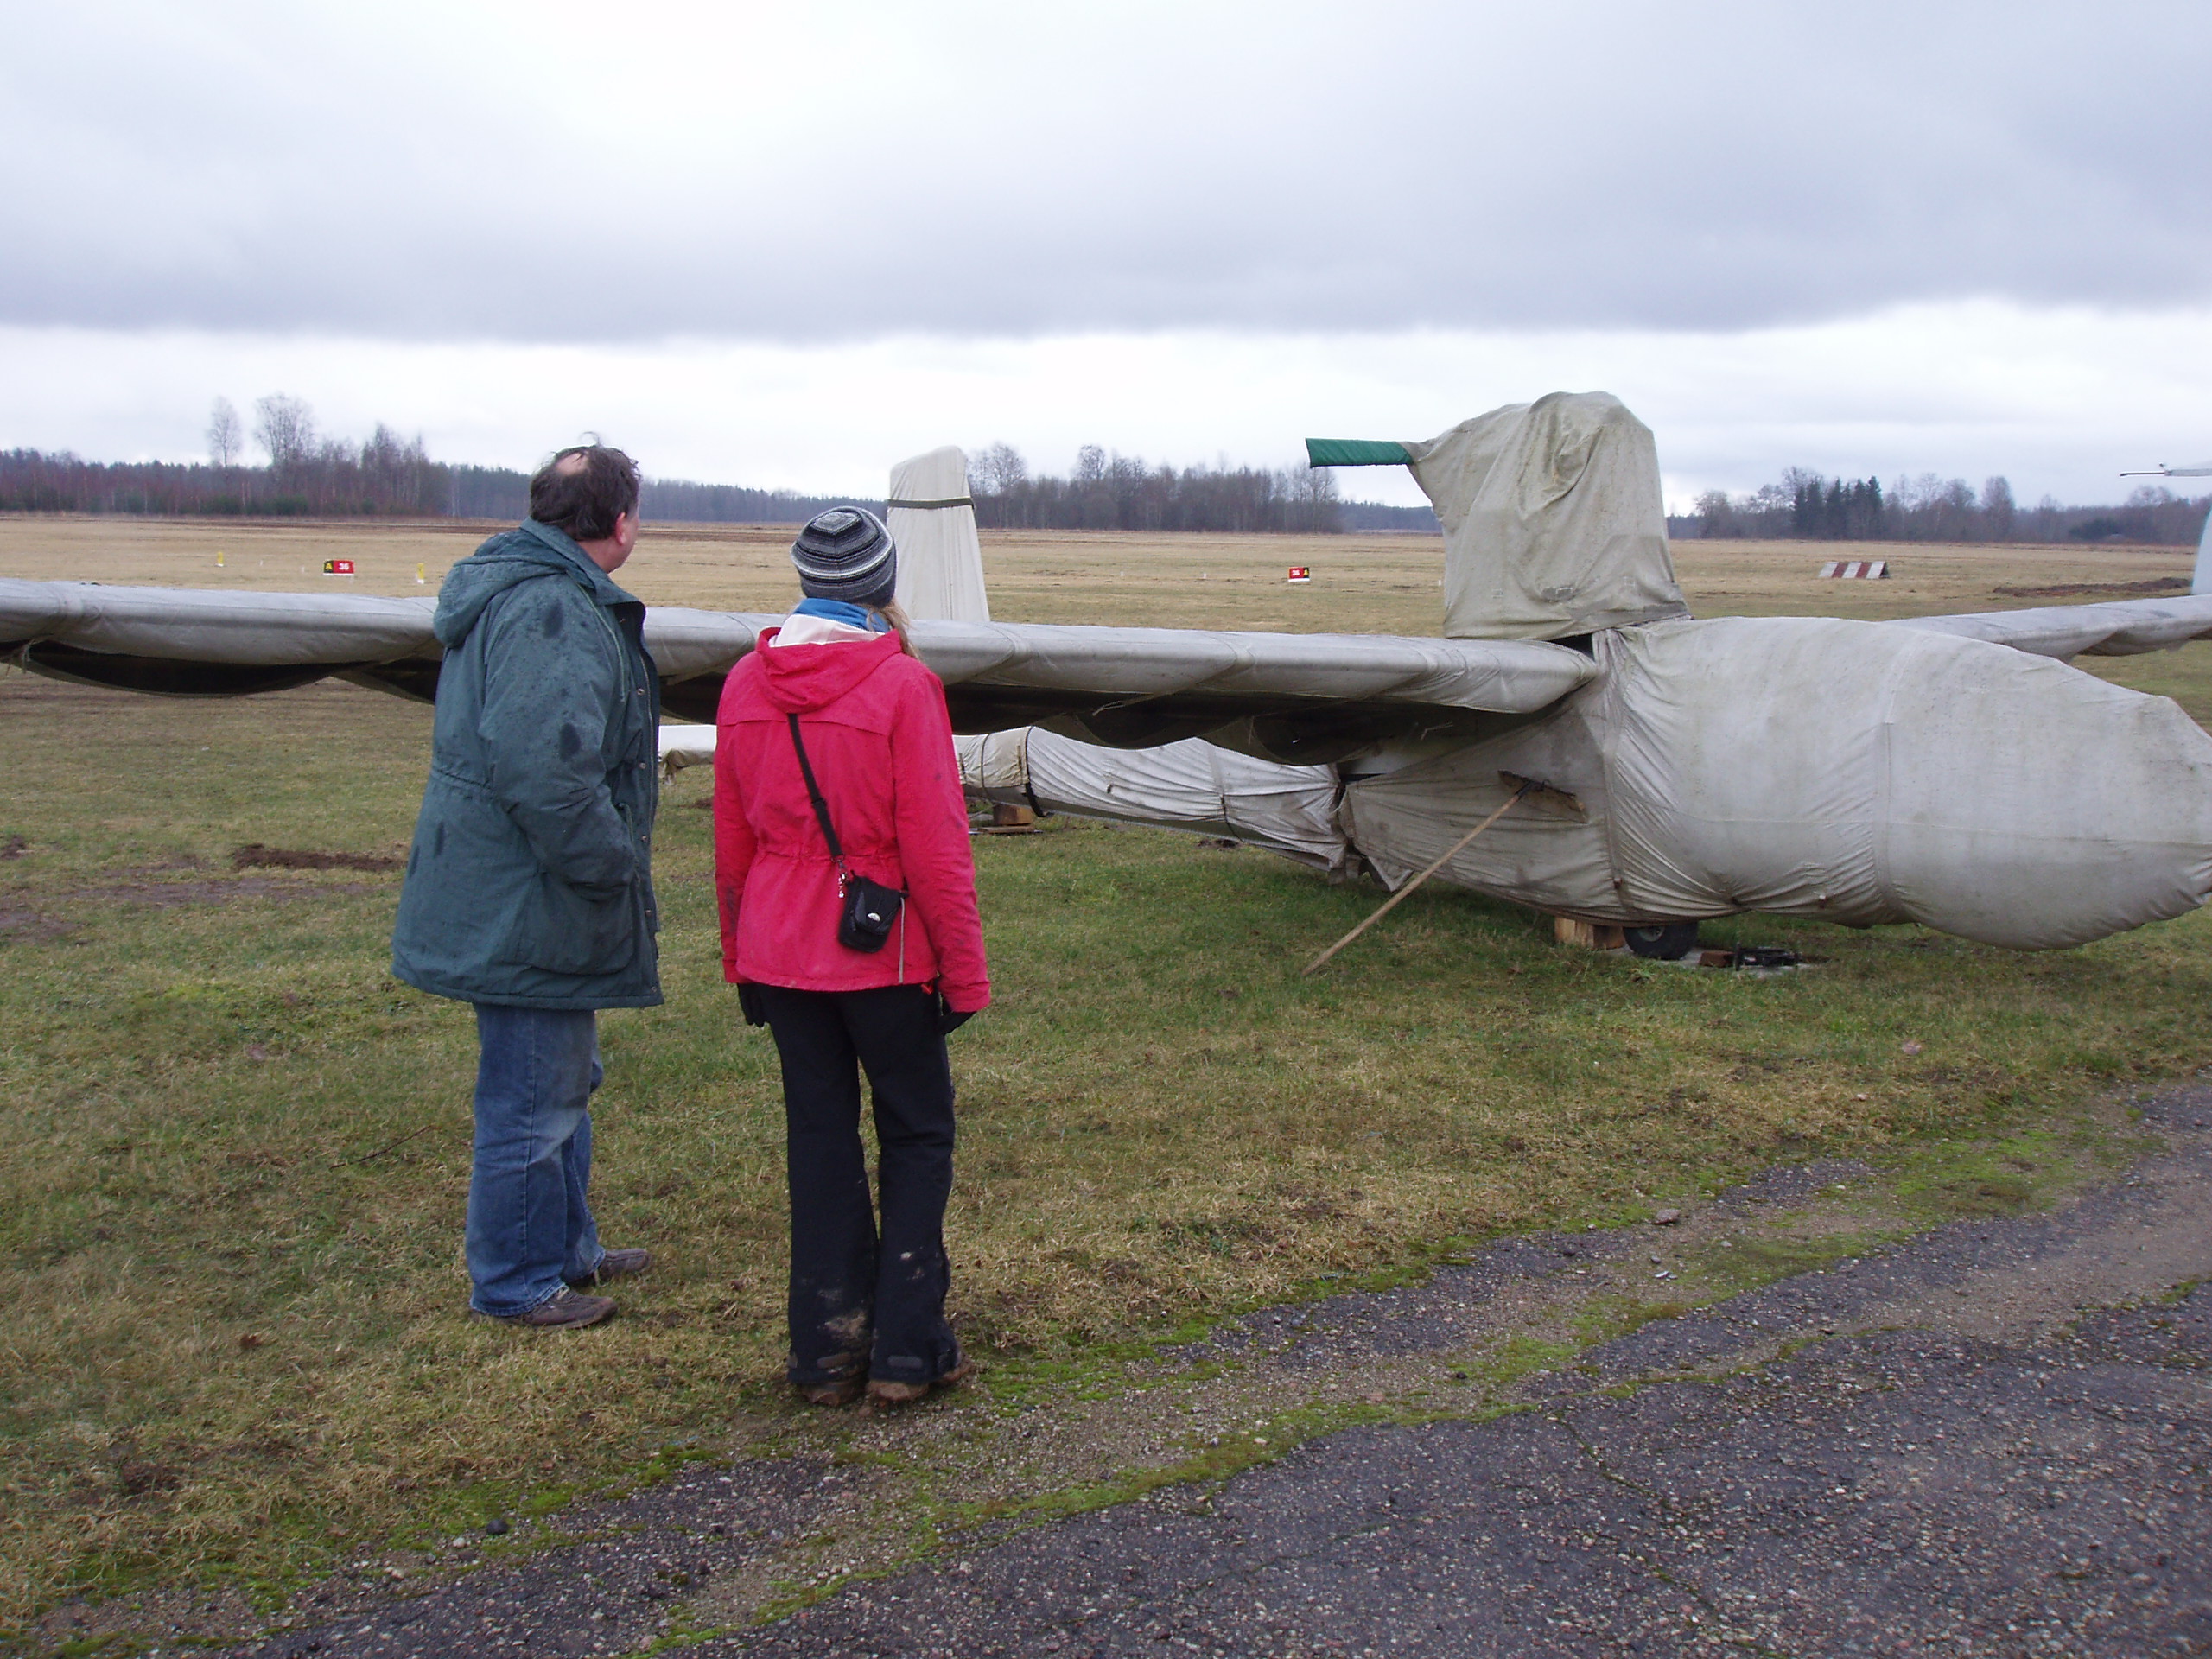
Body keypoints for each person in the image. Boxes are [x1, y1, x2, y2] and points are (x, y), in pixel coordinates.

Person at [714, 506, 990, 1407]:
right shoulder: (904, 686)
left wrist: (738, 956)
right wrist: (965, 969)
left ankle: (825, 1349)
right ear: (881, 582)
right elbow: (937, 845)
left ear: (804, 580)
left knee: (820, 1141)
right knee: (915, 1134)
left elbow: (731, 842)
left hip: (779, 949)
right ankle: (908, 1349)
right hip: (884, 952)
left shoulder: (743, 684)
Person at [391, 444, 662, 1330]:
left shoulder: (522, 588)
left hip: (512, 892)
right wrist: (610, 864)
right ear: (619, 525)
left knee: (560, 1079)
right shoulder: (553, 609)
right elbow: (546, 777)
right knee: (532, 1096)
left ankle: (566, 1251)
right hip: (529, 899)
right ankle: (513, 1283)